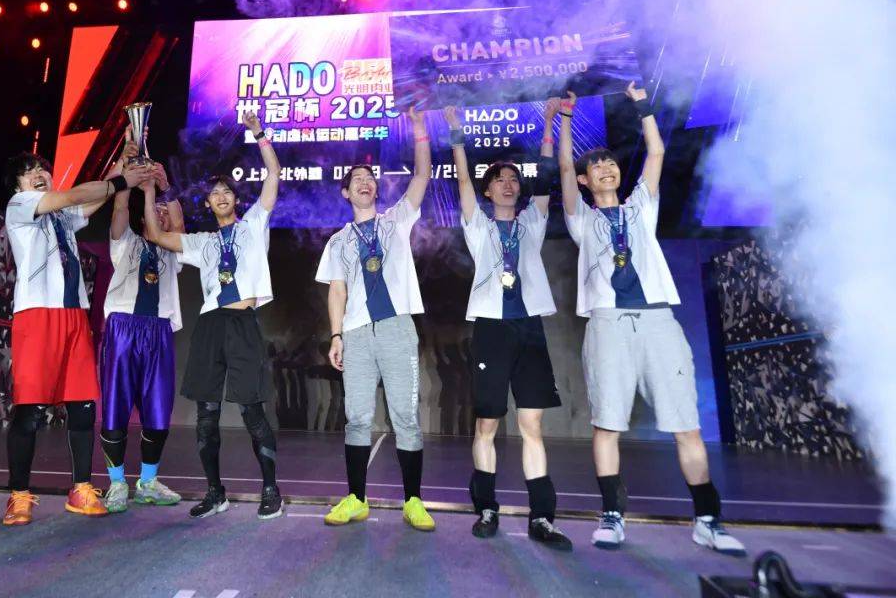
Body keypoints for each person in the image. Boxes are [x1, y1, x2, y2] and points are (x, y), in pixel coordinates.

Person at [557, 84, 745, 555]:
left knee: (686, 425)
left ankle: (708, 520)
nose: (606, 168)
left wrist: (643, 106)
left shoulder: (641, 208)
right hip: (608, 324)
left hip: (659, 321)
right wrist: (566, 120)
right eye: (596, 166)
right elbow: (562, 168)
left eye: (611, 163)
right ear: (584, 180)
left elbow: (657, 152)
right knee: (607, 424)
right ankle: (612, 517)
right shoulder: (581, 219)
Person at [143, 110, 283, 520]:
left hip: (242, 324)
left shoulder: (254, 225)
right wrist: (149, 191)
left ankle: (270, 489)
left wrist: (259, 134)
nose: (221, 196)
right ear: (207, 203)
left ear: (236, 200)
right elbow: (155, 234)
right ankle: (214, 492)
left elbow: (273, 176)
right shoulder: (202, 242)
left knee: (253, 411)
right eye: (214, 193)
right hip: (210, 325)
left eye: (227, 192)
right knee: (206, 415)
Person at [1, 149, 152, 526]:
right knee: (30, 409)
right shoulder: (21, 205)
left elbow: (91, 200)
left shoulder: (61, 217)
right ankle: (18, 494)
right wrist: (123, 181)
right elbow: (75, 195)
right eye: (29, 171)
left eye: (42, 169)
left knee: (83, 405)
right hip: (37, 315)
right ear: (18, 186)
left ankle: (81, 488)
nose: (38, 174)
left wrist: (121, 160)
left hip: (74, 316)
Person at [444, 103, 572, 550]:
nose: (508, 184)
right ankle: (487, 508)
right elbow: (463, 181)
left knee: (532, 425)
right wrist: (457, 134)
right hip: (492, 330)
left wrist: (550, 123)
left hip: (529, 329)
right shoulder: (478, 226)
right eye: (499, 179)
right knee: (487, 425)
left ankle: (543, 518)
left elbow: (545, 177)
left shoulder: (532, 222)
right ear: (488, 190)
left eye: (514, 179)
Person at [315, 107, 436, 532]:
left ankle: (413, 501)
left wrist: (419, 128)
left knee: (405, 416)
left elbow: (422, 176)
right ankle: (356, 499)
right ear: (346, 192)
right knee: (357, 418)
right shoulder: (338, 241)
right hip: (356, 334)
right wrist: (336, 336)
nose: (365, 182)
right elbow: (337, 291)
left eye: (370, 178)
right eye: (357, 180)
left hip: (397, 329)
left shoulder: (396, 221)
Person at [99, 132, 185, 512]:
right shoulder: (125, 242)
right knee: (115, 407)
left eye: (165, 212)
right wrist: (127, 168)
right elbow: (119, 206)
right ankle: (117, 484)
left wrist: (161, 190)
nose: (162, 215)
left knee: (158, 411)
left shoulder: (173, 252)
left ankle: (148, 482)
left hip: (158, 331)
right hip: (124, 327)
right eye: (157, 212)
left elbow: (178, 224)